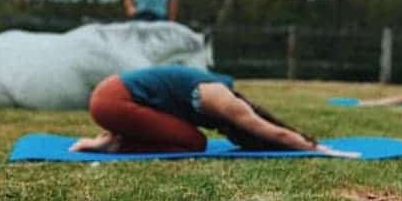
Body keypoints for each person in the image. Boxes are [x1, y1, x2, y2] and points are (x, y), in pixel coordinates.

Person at [70, 65, 357, 157]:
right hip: (113, 101)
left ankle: (113, 137)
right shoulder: (223, 100)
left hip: (110, 94)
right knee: (195, 142)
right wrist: (317, 147)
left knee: (186, 134)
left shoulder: (210, 89)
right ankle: (113, 144)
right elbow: (270, 129)